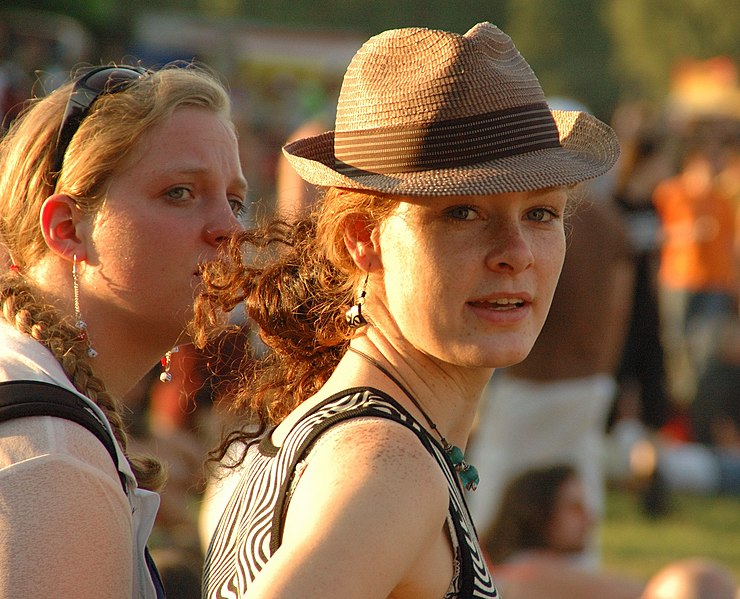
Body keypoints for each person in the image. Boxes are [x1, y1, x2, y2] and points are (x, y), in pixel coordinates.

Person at [195, 22, 619, 599]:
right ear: (359, 240)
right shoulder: (389, 464)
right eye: (462, 213)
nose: (515, 254)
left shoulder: (359, 435)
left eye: (541, 214)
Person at [0, 62, 247, 597]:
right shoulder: (53, 460)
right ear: (68, 229)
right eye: (180, 192)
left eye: (235, 200)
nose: (229, 229)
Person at [465, 181, 635, 565]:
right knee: (576, 483)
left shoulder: (551, 211)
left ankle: (473, 572)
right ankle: (577, 576)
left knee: (495, 476)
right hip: (590, 375)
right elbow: (622, 305)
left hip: (537, 373)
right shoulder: (608, 219)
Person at [481, 464, 738, 599]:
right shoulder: (525, 572)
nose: (590, 518)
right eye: (575, 508)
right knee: (692, 584)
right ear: (538, 514)